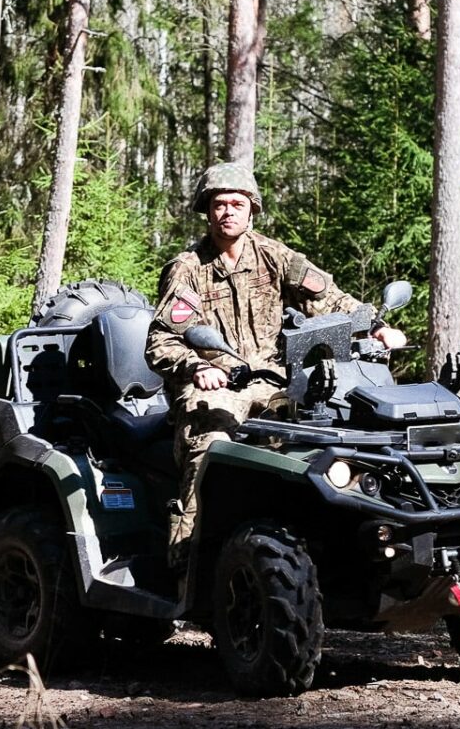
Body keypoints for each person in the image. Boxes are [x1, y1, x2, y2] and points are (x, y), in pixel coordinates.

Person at [144, 160, 406, 568]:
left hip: (270, 379)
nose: (228, 211)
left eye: (237, 203)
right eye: (219, 204)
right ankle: (185, 565)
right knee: (209, 451)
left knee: (328, 438)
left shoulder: (274, 256)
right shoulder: (188, 268)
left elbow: (331, 300)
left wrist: (375, 326)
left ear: (252, 209)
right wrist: (197, 367)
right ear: (206, 210)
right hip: (211, 386)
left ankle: (339, 551)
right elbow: (161, 340)